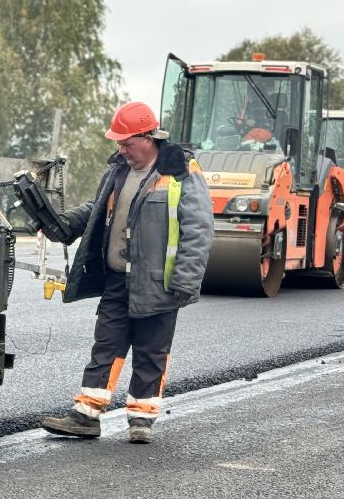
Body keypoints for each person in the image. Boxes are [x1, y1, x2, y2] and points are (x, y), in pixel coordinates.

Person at [34, 100, 214, 444]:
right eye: (118, 142)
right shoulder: (118, 170)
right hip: (118, 277)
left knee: (151, 350)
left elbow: (198, 229)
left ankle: (141, 420)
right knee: (106, 345)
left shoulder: (180, 172)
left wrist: (186, 281)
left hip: (159, 282)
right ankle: (86, 415)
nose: (121, 148)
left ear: (148, 138)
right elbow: (97, 209)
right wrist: (64, 223)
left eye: (126, 142)